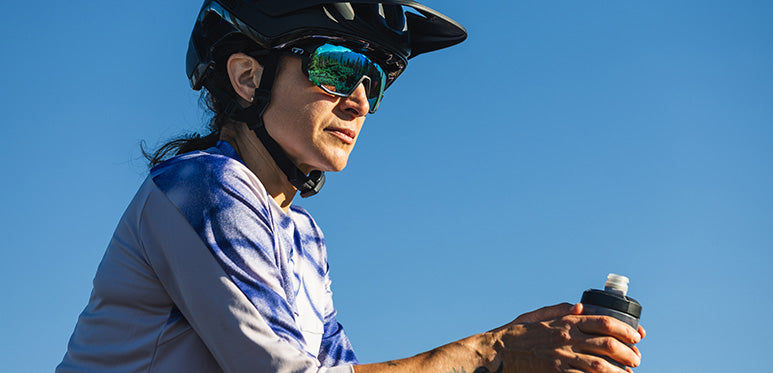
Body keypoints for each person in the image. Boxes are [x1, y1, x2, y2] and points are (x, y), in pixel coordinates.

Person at [58, 1, 645, 372]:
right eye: (337, 68)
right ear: (246, 76)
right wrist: (491, 352)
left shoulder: (301, 235)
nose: (360, 99)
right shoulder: (205, 185)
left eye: (376, 80)